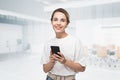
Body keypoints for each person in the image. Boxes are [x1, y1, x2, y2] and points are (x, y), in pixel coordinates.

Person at [41, 8, 86, 80]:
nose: (58, 23)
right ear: (51, 22)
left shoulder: (75, 41)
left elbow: (82, 68)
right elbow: (45, 69)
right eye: (55, 19)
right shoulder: (48, 43)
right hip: (50, 78)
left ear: (67, 24)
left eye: (62, 20)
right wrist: (52, 61)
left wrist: (65, 61)